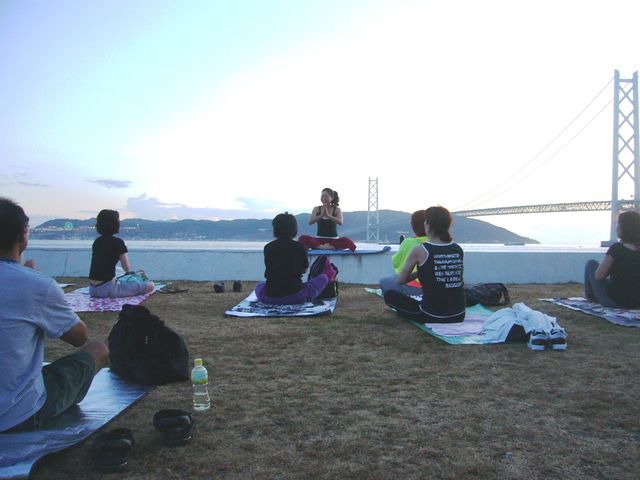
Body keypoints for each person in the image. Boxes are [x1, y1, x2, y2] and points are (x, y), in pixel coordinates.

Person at [0, 197, 109, 432]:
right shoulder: (35, 285)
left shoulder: (31, 283)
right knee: (98, 349)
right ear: (22, 235)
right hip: (16, 414)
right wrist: (33, 285)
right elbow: (79, 337)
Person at [384, 206, 466, 323]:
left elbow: (401, 280)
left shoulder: (420, 250)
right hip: (459, 314)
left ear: (427, 225)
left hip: (431, 314)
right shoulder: (457, 249)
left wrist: (420, 272)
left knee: (390, 295)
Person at [255, 212, 335, 304]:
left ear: (275, 229)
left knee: (259, 286)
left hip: (270, 297)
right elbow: (304, 269)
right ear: (294, 229)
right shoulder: (300, 246)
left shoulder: (268, 247)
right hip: (296, 296)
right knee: (323, 278)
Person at [89, 209, 154, 298]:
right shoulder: (118, 242)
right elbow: (127, 268)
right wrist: (123, 250)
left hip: (92, 290)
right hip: (109, 291)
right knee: (150, 285)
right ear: (115, 224)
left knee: (117, 271)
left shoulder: (97, 241)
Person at [584, 210, 640, 308]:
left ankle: (591, 298)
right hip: (638, 304)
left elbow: (598, 276)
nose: (616, 228)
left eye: (618, 225)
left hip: (616, 303)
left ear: (625, 228)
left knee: (591, 264)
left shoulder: (617, 249)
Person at [379, 210, 429, 296]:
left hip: (417, 287)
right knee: (393, 278)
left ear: (413, 226)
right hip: (433, 287)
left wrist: (402, 247)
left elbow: (396, 262)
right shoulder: (435, 242)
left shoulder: (408, 242)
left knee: (384, 281)